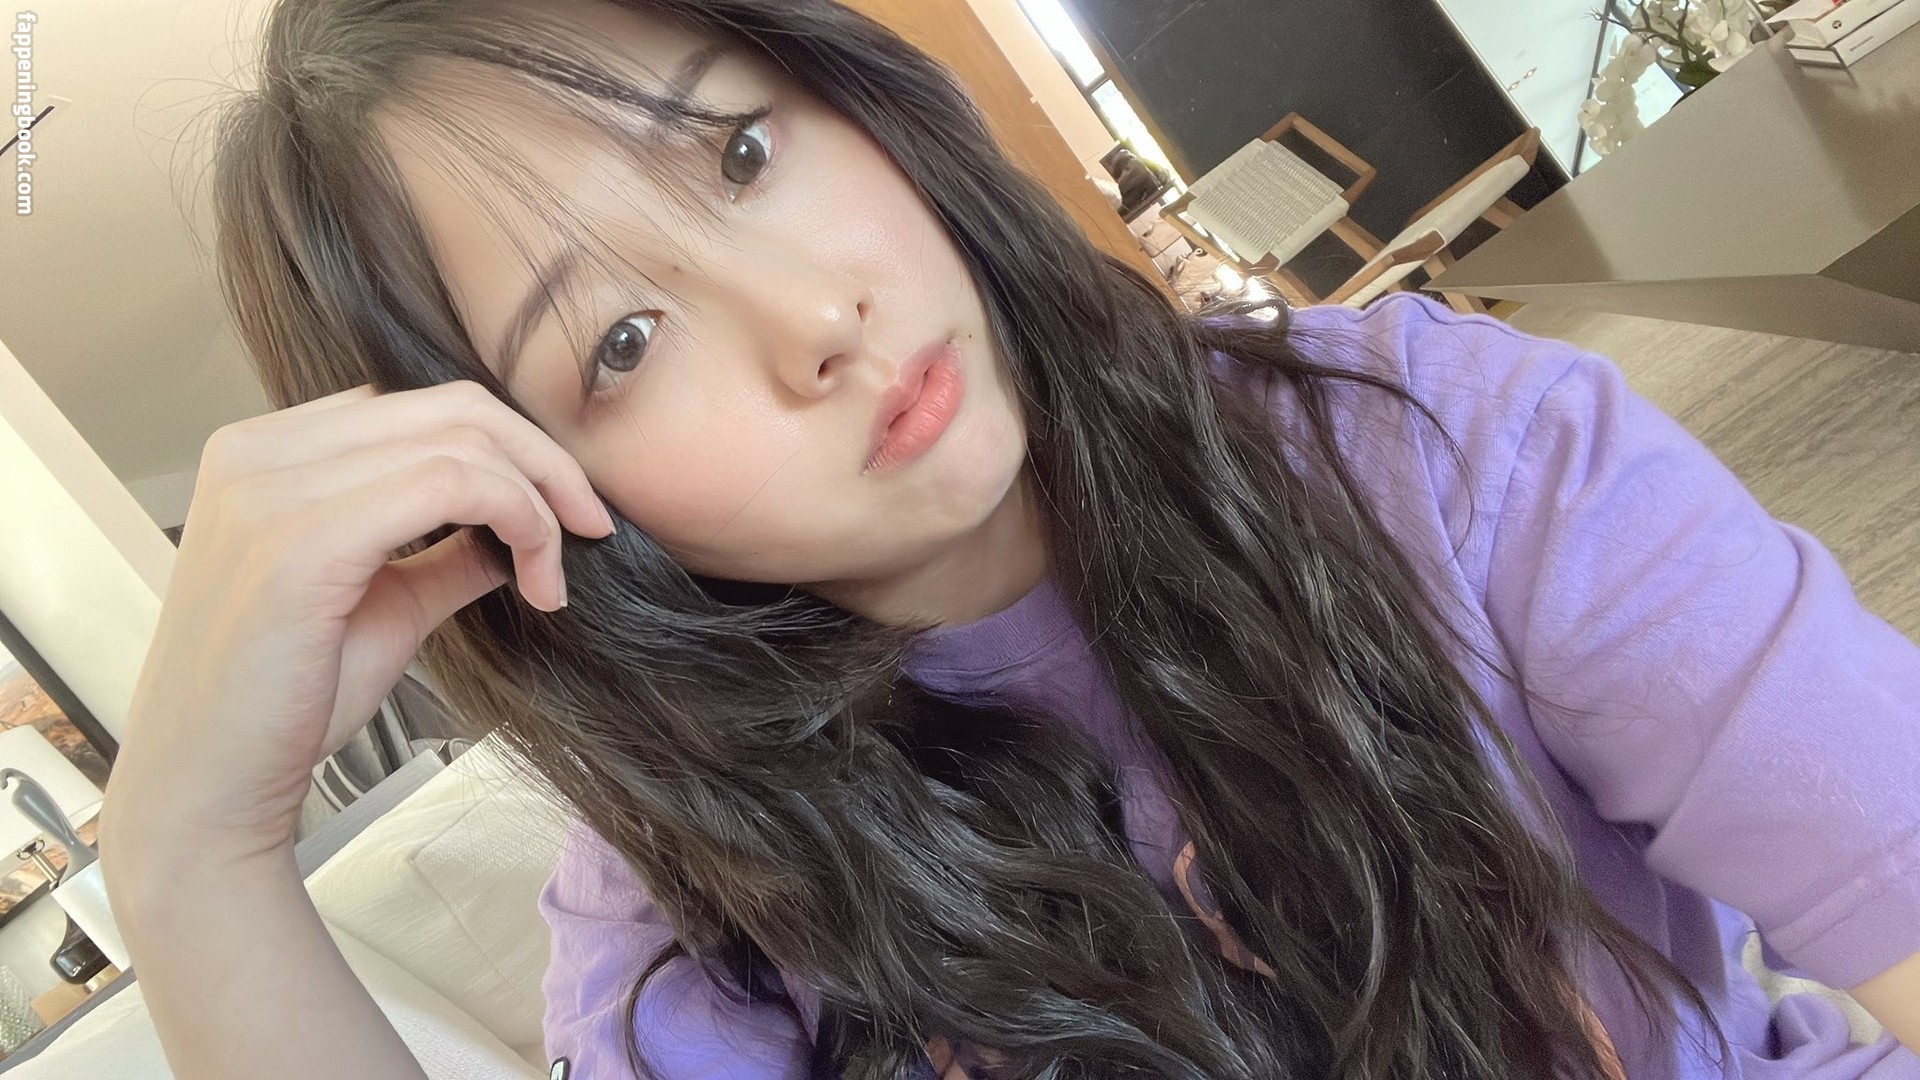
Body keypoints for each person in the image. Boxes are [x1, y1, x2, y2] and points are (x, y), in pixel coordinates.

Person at [95, 0, 1920, 1077]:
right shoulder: (695, 915)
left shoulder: (1438, 454)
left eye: (740, 155)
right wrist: (188, 857)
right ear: (544, 495)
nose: (813, 317)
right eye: (623, 343)